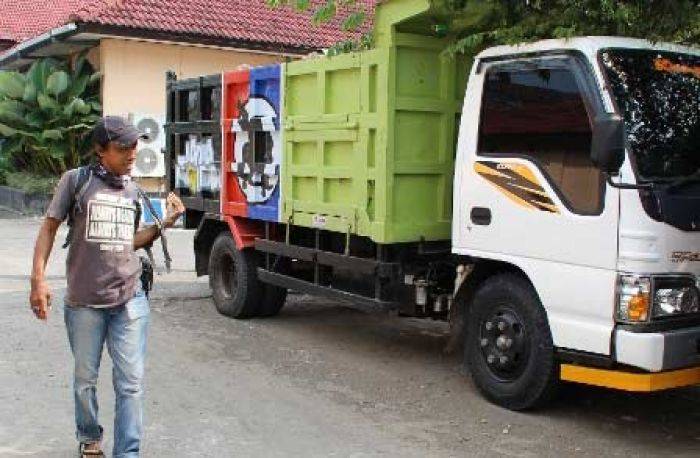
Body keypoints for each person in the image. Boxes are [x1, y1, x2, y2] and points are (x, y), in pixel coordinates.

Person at [29, 116, 185, 458]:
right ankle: (89, 437)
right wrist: (38, 280)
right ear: (100, 150)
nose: (132, 153)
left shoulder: (133, 187)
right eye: (123, 147)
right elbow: (49, 228)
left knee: (130, 384)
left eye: (135, 145)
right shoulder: (77, 181)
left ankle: (127, 453)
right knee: (85, 380)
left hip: (129, 300)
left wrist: (166, 223)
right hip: (84, 302)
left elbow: (130, 241)